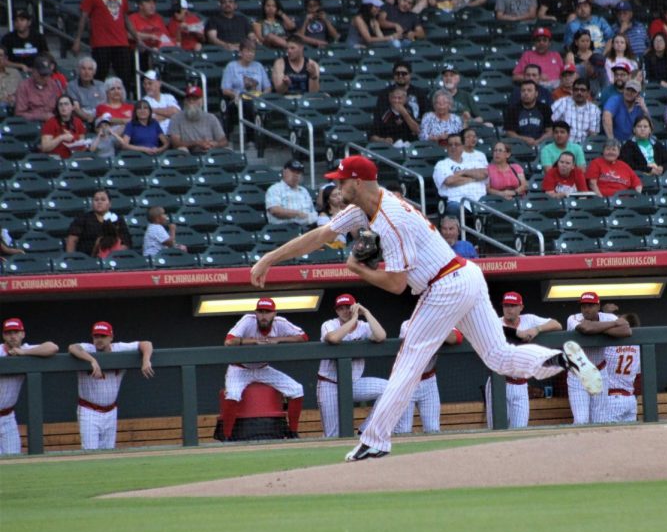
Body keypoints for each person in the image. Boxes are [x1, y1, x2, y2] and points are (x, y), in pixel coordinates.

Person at [249, 155, 604, 460]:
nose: (336, 186)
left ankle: (374, 441)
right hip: (465, 277)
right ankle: (560, 360)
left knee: (408, 361)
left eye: (341, 180)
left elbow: (397, 284)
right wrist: (270, 258)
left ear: (357, 181)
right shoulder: (364, 208)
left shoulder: (391, 219)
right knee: (498, 356)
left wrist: (360, 271)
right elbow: (321, 235)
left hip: (444, 286)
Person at [219, 297, 307, 440]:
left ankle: (292, 432)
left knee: (297, 389)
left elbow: (303, 337)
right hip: (239, 368)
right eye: (260, 312)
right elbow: (229, 341)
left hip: (262, 368)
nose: (263, 315)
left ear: (274, 313)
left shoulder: (281, 323)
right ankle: (227, 436)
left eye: (267, 312)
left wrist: (278, 339)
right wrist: (253, 341)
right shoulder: (248, 320)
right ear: (256, 313)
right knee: (233, 394)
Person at [67, 321, 154, 450]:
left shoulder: (119, 348)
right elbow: (72, 347)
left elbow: (146, 344)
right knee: (90, 452)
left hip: (111, 411)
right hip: (89, 410)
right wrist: (92, 360)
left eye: (103, 336)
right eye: (96, 336)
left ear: (111, 337)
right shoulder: (88, 349)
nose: (99, 340)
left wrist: (146, 359)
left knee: (109, 452)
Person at [485, 291, 562, 429]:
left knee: (520, 429)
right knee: (497, 429)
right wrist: (516, 333)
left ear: (521, 307)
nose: (509, 309)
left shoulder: (529, 319)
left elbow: (557, 324)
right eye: (506, 305)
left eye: (513, 306)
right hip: (499, 383)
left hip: (521, 385)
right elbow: (487, 328)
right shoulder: (496, 322)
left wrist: (537, 329)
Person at [317, 293, 388, 438]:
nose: (344, 311)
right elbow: (334, 338)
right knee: (333, 436)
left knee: (389, 389)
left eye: (348, 307)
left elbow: (381, 336)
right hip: (329, 384)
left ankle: (366, 429)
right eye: (340, 308)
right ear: (336, 311)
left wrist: (366, 313)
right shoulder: (329, 324)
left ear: (355, 307)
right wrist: (353, 319)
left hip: (353, 383)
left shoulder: (364, 326)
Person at [565, 292, 632, 425]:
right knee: (581, 420)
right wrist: (612, 324)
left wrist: (598, 328)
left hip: (600, 371)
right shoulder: (573, 318)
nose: (586, 309)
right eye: (584, 306)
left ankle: (598, 446)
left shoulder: (608, 317)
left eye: (590, 305)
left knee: (600, 420)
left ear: (598, 306)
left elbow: (626, 330)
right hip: (578, 374)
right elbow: (585, 328)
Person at [72, 0, 141, 95]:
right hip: (101, 43)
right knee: (99, 77)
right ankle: (96, 102)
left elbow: (126, 18)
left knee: (125, 77)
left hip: (121, 42)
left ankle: (124, 104)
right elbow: (84, 16)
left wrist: (137, 38)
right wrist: (77, 40)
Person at [0, 318, 58, 455]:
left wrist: (24, 353)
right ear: (3, 336)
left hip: (8, 416)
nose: (12, 336)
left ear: (22, 334)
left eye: (16, 332)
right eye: (8, 333)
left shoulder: (26, 350)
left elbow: (53, 347)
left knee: (14, 459)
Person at [395, 321, 461, 434]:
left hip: (429, 381)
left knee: (433, 429)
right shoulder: (407, 324)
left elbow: (456, 338)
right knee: (403, 431)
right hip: (406, 382)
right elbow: (417, 342)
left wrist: (438, 325)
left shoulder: (441, 324)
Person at [221, 38, 271, 136]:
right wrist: (236, 95)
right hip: (238, 100)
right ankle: (250, 139)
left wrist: (262, 96)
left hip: (257, 99)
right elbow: (225, 90)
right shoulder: (231, 66)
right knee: (248, 106)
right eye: (247, 51)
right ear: (240, 52)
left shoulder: (258, 66)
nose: (250, 54)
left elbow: (268, 87)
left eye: (253, 51)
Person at [599, 312, 642, 423]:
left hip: (612, 398)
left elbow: (599, 328)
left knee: (609, 437)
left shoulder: (610, 345)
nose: (617, 322)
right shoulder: (637, 346)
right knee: (628, 437)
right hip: (630, 399)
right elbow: (638, 376)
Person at [433, 132, 489, 214]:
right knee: (454, 208)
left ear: (463, 146)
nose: (453, 147)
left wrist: (463, 172)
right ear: (447, 147)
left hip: (481, 201)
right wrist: (473, 178)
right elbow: (450, 181)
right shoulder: (442, 164)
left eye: (456, 144)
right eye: (450, 145)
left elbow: (484, 174)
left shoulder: (472, 162)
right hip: (457, 201)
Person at [66, 189, 132, 256]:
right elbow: (72, 240)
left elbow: (126, 242)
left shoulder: (117, 219)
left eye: (103, 200)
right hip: (87, 259)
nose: (99, 202)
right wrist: (71, 258)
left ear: (110, 203)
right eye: (96, 200)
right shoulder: (83, 218)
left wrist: (115, 254)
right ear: (92, 203)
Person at [168, 86, 229, 153]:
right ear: (185, 101)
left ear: (201, 101)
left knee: (228, 150)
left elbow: (224, 141)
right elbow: (175, 143)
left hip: (209, 152)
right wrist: (196, 143)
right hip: (188, 155)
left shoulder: (211, 118)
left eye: (194, 99)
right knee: (182, 150)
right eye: (189, 99)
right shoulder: (176, 118)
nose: (191, 102)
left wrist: (214, 144)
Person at [265, 159, 317, 228]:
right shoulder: (275, 189)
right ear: (284, 172)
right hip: (283, 230)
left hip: (306, 229)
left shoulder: (304, 191)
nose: (295, 175)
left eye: (298, 173)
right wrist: (297, 214)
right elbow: (275, 210)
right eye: (292, 171)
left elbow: (312, 212)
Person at [551, 78, 601, 145]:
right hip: (563, 146)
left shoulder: (594, 110)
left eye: (582, 90)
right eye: (576, 89)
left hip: (584, 149)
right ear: (572, 91)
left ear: (588, 93)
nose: (579, 92)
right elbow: (549, 123)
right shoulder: (562, 103)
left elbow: (593, 135)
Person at [14, 55, 64, 121]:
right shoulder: (24, 86)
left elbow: (61, 105)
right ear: (34, 71)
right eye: (42, 74)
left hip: (52, 120)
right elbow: (19, 114)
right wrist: (40, 117)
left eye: (47, 74)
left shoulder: (54, 84)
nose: (44, 78)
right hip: (31, 124)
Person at [40, 95, 88, 159]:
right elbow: (45, 148)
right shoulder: (51, 122)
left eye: (66, 104)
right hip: (56, 157)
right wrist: (61, 138)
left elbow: (82, 144)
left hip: (74, 157)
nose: (63, 107)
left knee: (89, 160)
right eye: (60, 105)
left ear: (72, 107)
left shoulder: (78, 122)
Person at [66, 57, 105, 125]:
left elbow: (106, 105)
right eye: (83, 68)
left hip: (101, 119)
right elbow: (76, 109)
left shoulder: (101, 85)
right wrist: (89, 118)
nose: (86, 72)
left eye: (90, 69)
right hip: (81, 120)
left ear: (94, 72)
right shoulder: (72, 86)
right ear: (78, 70)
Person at [141, 70, 179, 134]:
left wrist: (153, 110)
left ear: (159, 83)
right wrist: (169, 115)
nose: (147, 86)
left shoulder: (169, 97)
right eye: (145, 84)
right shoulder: (143, 101)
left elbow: (177, 113)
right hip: (156, 137)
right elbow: (150, 121)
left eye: (150, 83)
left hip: (174, 135)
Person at [0, 45, 22, 110]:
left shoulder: (15, 73)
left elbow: (23, 93)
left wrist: (15, 97)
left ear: (6, 58)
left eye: (0, 55)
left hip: (14, 110)